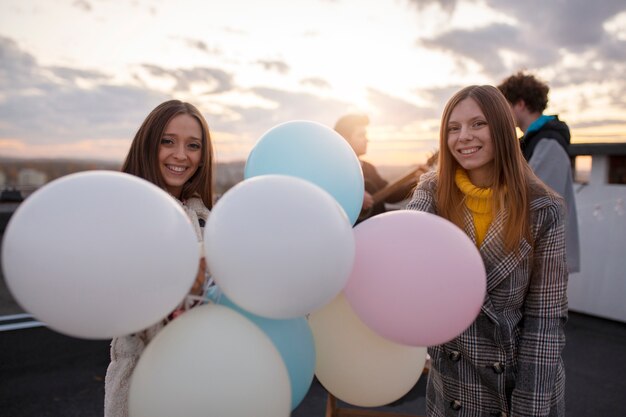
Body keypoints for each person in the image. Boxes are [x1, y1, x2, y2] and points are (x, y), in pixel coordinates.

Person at [407, 85, 568, 417]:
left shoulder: (543, 210)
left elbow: (544, 324)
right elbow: (406, 240)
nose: (463, 136)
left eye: (477, 124)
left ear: (502, 129)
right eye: (454, 128)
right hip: (453, 386)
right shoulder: (433, 192)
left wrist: (528, 409)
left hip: (515, 388)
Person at [104, 100, 214, 417]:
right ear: (148, 144)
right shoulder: (126, 211)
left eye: (193, 145)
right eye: (168, 141)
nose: (181, 155)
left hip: (208, 380)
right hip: (144, 386)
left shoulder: (209, 218)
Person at [498, 71, 580, 273]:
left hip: (545, 254)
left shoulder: (548, 142)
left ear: (520, 104)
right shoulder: (533, 141)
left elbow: (537, 201)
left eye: (505, 105)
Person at [334, 114, 424, 222]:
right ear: (345, 138)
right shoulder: (332, 169)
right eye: (361, 135)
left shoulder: (369, 168)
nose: (367, 140)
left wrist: (419, 182)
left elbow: (391, 195)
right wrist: (354, 196)